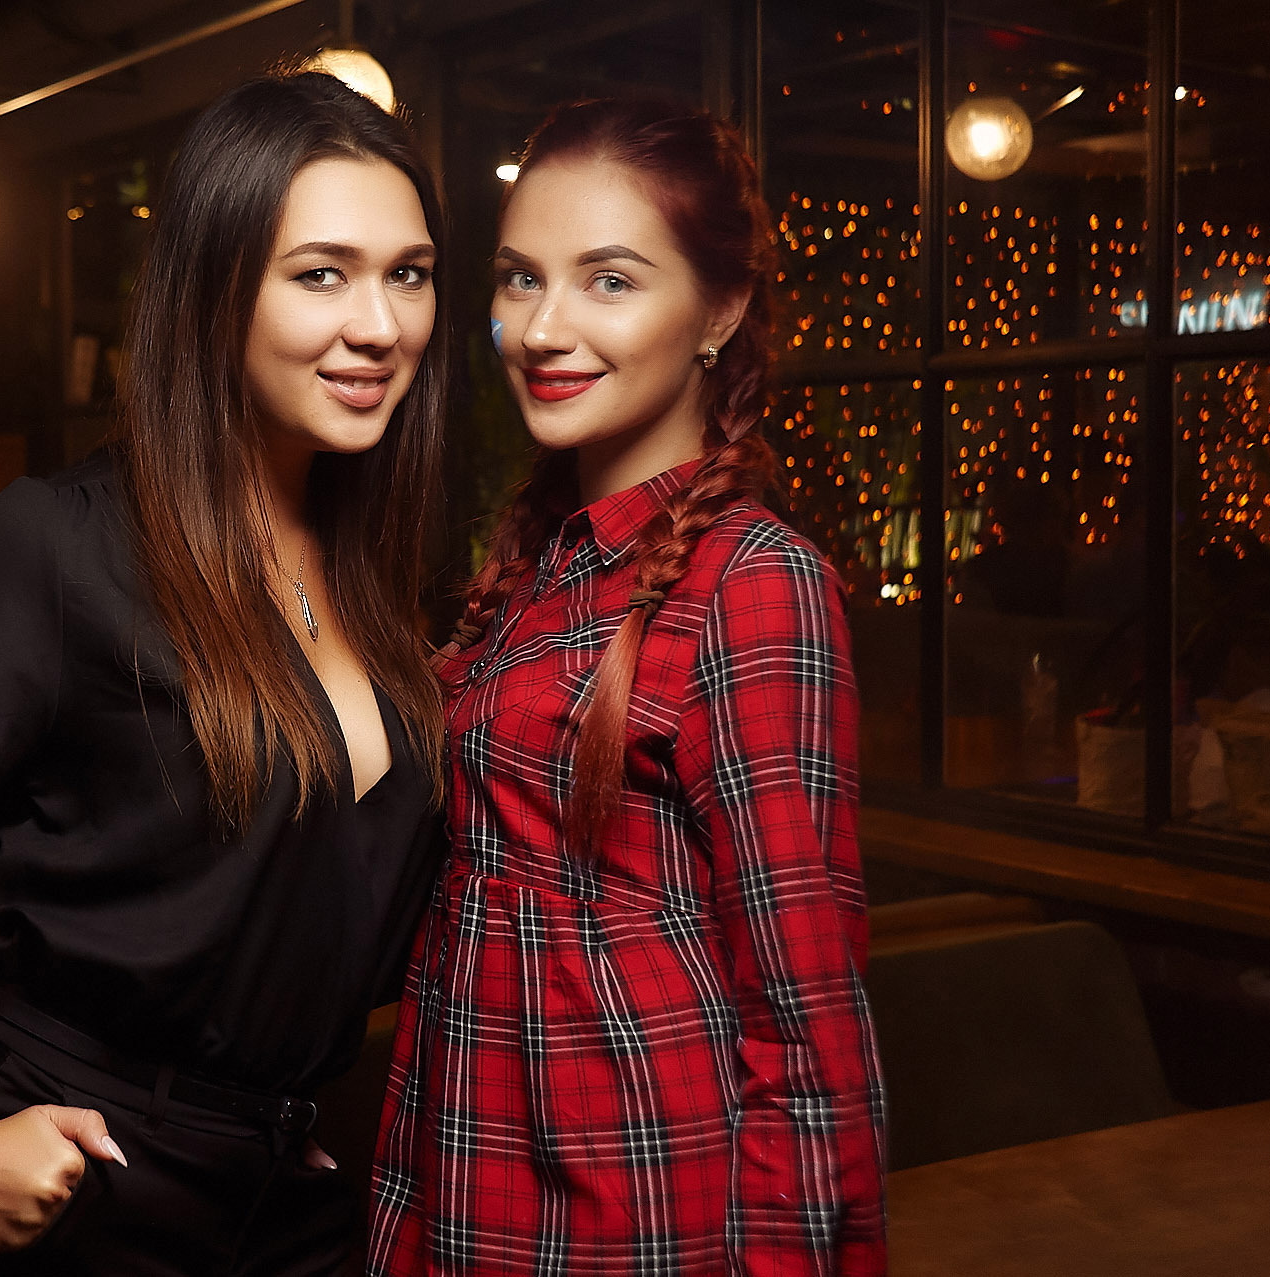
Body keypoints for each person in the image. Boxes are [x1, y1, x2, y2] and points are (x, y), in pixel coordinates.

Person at [0, 71, 450, 1276]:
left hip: (277, 1193)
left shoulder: (376, 574)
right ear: (214, 290)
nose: (379, 324)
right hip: (59, 1176)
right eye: (321, 273)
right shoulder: (51, 550)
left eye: (408, 273)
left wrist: (256, 1108)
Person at [367, 97, 888, 1275]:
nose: (543, 328)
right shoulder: (545, 562)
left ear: (722, 308)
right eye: (520, 278)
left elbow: (806, 1022)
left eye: (609, 279)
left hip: (633, 1203)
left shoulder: (753, 581)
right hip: (465, 1167)